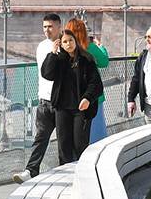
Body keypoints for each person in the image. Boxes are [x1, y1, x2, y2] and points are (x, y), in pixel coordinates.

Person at [13, 14, 63, 183]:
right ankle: (30, 170)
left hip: (62, 102)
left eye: (50, 26)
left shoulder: (67, 44)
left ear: (59, 26)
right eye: (44, 27)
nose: (47, 30)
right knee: (40, 137)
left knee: (64, 141)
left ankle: (67, 172)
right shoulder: (41, 46)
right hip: (44, 100)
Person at [41, 29, 104, 163]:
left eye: (71, 40)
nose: (68, 43)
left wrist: (87, 98)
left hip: (81, 110)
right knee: (63, 145)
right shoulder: (58, 60)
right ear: (61, 44)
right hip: (62, 108)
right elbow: (47, 74)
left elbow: (96, 84)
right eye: (64, 41)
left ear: (75, 41)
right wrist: (52, 53)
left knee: (80, 144)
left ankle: (82, 172)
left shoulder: (86, 59)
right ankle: (66, 176)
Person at [66, 18, 110, 144]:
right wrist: (100, 46)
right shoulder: (90, 47)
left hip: (73, 98)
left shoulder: (67, 50)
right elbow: (104, 62)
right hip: (93, 97)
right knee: (96, 132)